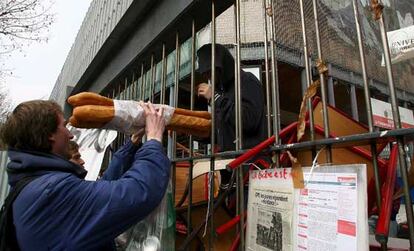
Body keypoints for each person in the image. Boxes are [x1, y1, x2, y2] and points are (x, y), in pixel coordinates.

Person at [0, 100, 170, 250]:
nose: (70, 134)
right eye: (64, 126)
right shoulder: (50, 191)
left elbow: (103, 189)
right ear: (49, 134)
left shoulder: (36, 184)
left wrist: (131, 145)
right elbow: (138, 192)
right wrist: (154, 139)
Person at [196, 43, 267, 189]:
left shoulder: (247, 81)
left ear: (223, 67)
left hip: (250, 170)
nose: (209, 78)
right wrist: (192, 132)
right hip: (230, 172)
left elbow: (248, 121)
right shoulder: (222, 92)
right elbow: (222, 135)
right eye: (206, 74)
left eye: (211, 72)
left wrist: (215, 99)